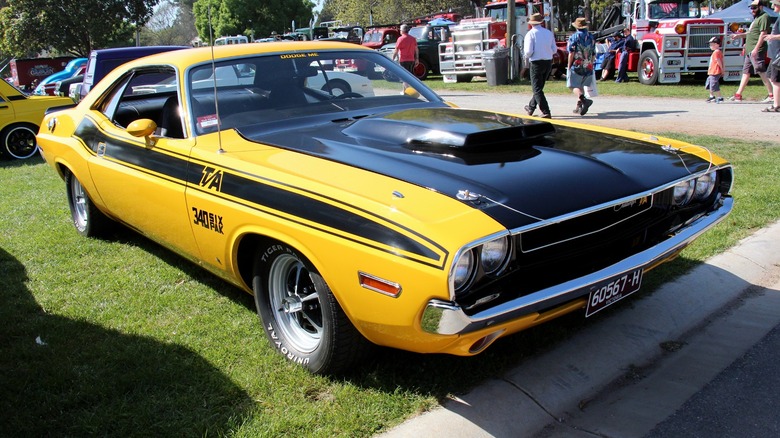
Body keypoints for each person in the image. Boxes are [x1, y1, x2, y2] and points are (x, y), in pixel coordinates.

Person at [728, 0, 773, 102]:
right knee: (746, 72)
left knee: (761, 71)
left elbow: (763, 34)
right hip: (749, 49)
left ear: (761, 7)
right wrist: (738, 36)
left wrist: (756, 49)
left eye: (754, 7)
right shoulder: (756, 18)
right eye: (751, 8)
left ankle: (772, 95)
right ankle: (738, 95)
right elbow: (751, 33)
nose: (752, 10)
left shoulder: (764, 17)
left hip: (756, 49)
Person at [523, 13, 558, 118]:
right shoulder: (548, 33)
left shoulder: (530, 34)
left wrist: (526, 56)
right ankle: (531, 107)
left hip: (536, 62)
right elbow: (554, 49)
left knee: (536, 88)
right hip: (548, 62)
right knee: (539, 87)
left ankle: (545, 111)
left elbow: (528, 51)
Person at [567, 17, 596, 115]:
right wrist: (590, 63)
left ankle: (584, 100)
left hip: (577, 64)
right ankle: (579, 106)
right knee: (581, 85)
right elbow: (594, 53)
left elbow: (571, 52)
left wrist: (569, 64)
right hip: (588, 64)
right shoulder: (591, 37)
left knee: (572, 86)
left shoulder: (574, 37)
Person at [761, 0, 780, 112]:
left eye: (775, 4)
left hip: (778, 54)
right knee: (769, 76)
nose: (773, 6)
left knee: (776, 80)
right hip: (774, 54)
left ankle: (777, 105)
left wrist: (773, 37)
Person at [705, 36, 725, 103]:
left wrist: (722, 69)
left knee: (714, 84)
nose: (710, 46)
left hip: (715, 71)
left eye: (712, 44)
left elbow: (718, 61)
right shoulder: (716, 52)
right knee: (710, 83)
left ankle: (719, 97)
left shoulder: (716, 52)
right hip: (712, 71)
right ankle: (712, 96)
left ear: (717, 44)